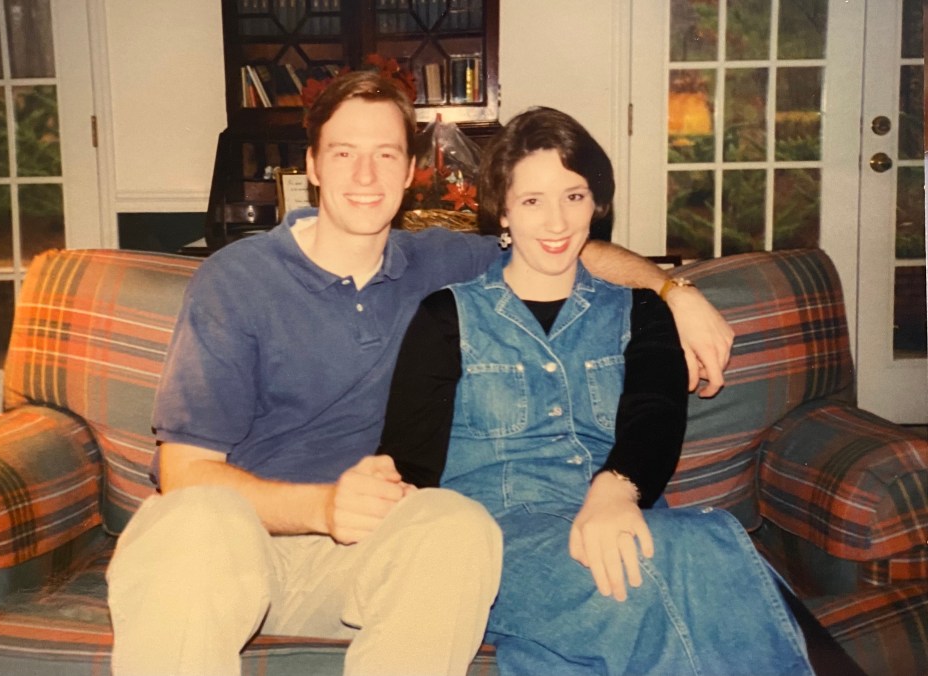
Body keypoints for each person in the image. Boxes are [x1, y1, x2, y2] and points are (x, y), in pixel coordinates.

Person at [106, 72, 734, 676]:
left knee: (455, 525)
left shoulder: (440, 263)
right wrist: (324, 506)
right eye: (344, 152)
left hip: (362, 560)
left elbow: (559, 239)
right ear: (313, 167)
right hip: (236, 547)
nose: (364, 174)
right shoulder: (237, 279)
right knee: (197, 518)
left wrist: (674, 290)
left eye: (385, 154)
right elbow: (187, 473)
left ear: (410, 172)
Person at [379, 107, 815, 675]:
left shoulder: (640, 312)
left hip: (622, 518)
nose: (557, 221)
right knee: (690, 552)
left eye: (574, 196)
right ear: (503, 209)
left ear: (596, 203)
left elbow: (654, 415)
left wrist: (615, 491)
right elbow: (410, 464)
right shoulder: (447, 317)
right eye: (533, 200)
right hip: (500, 541)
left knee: (678, 552)